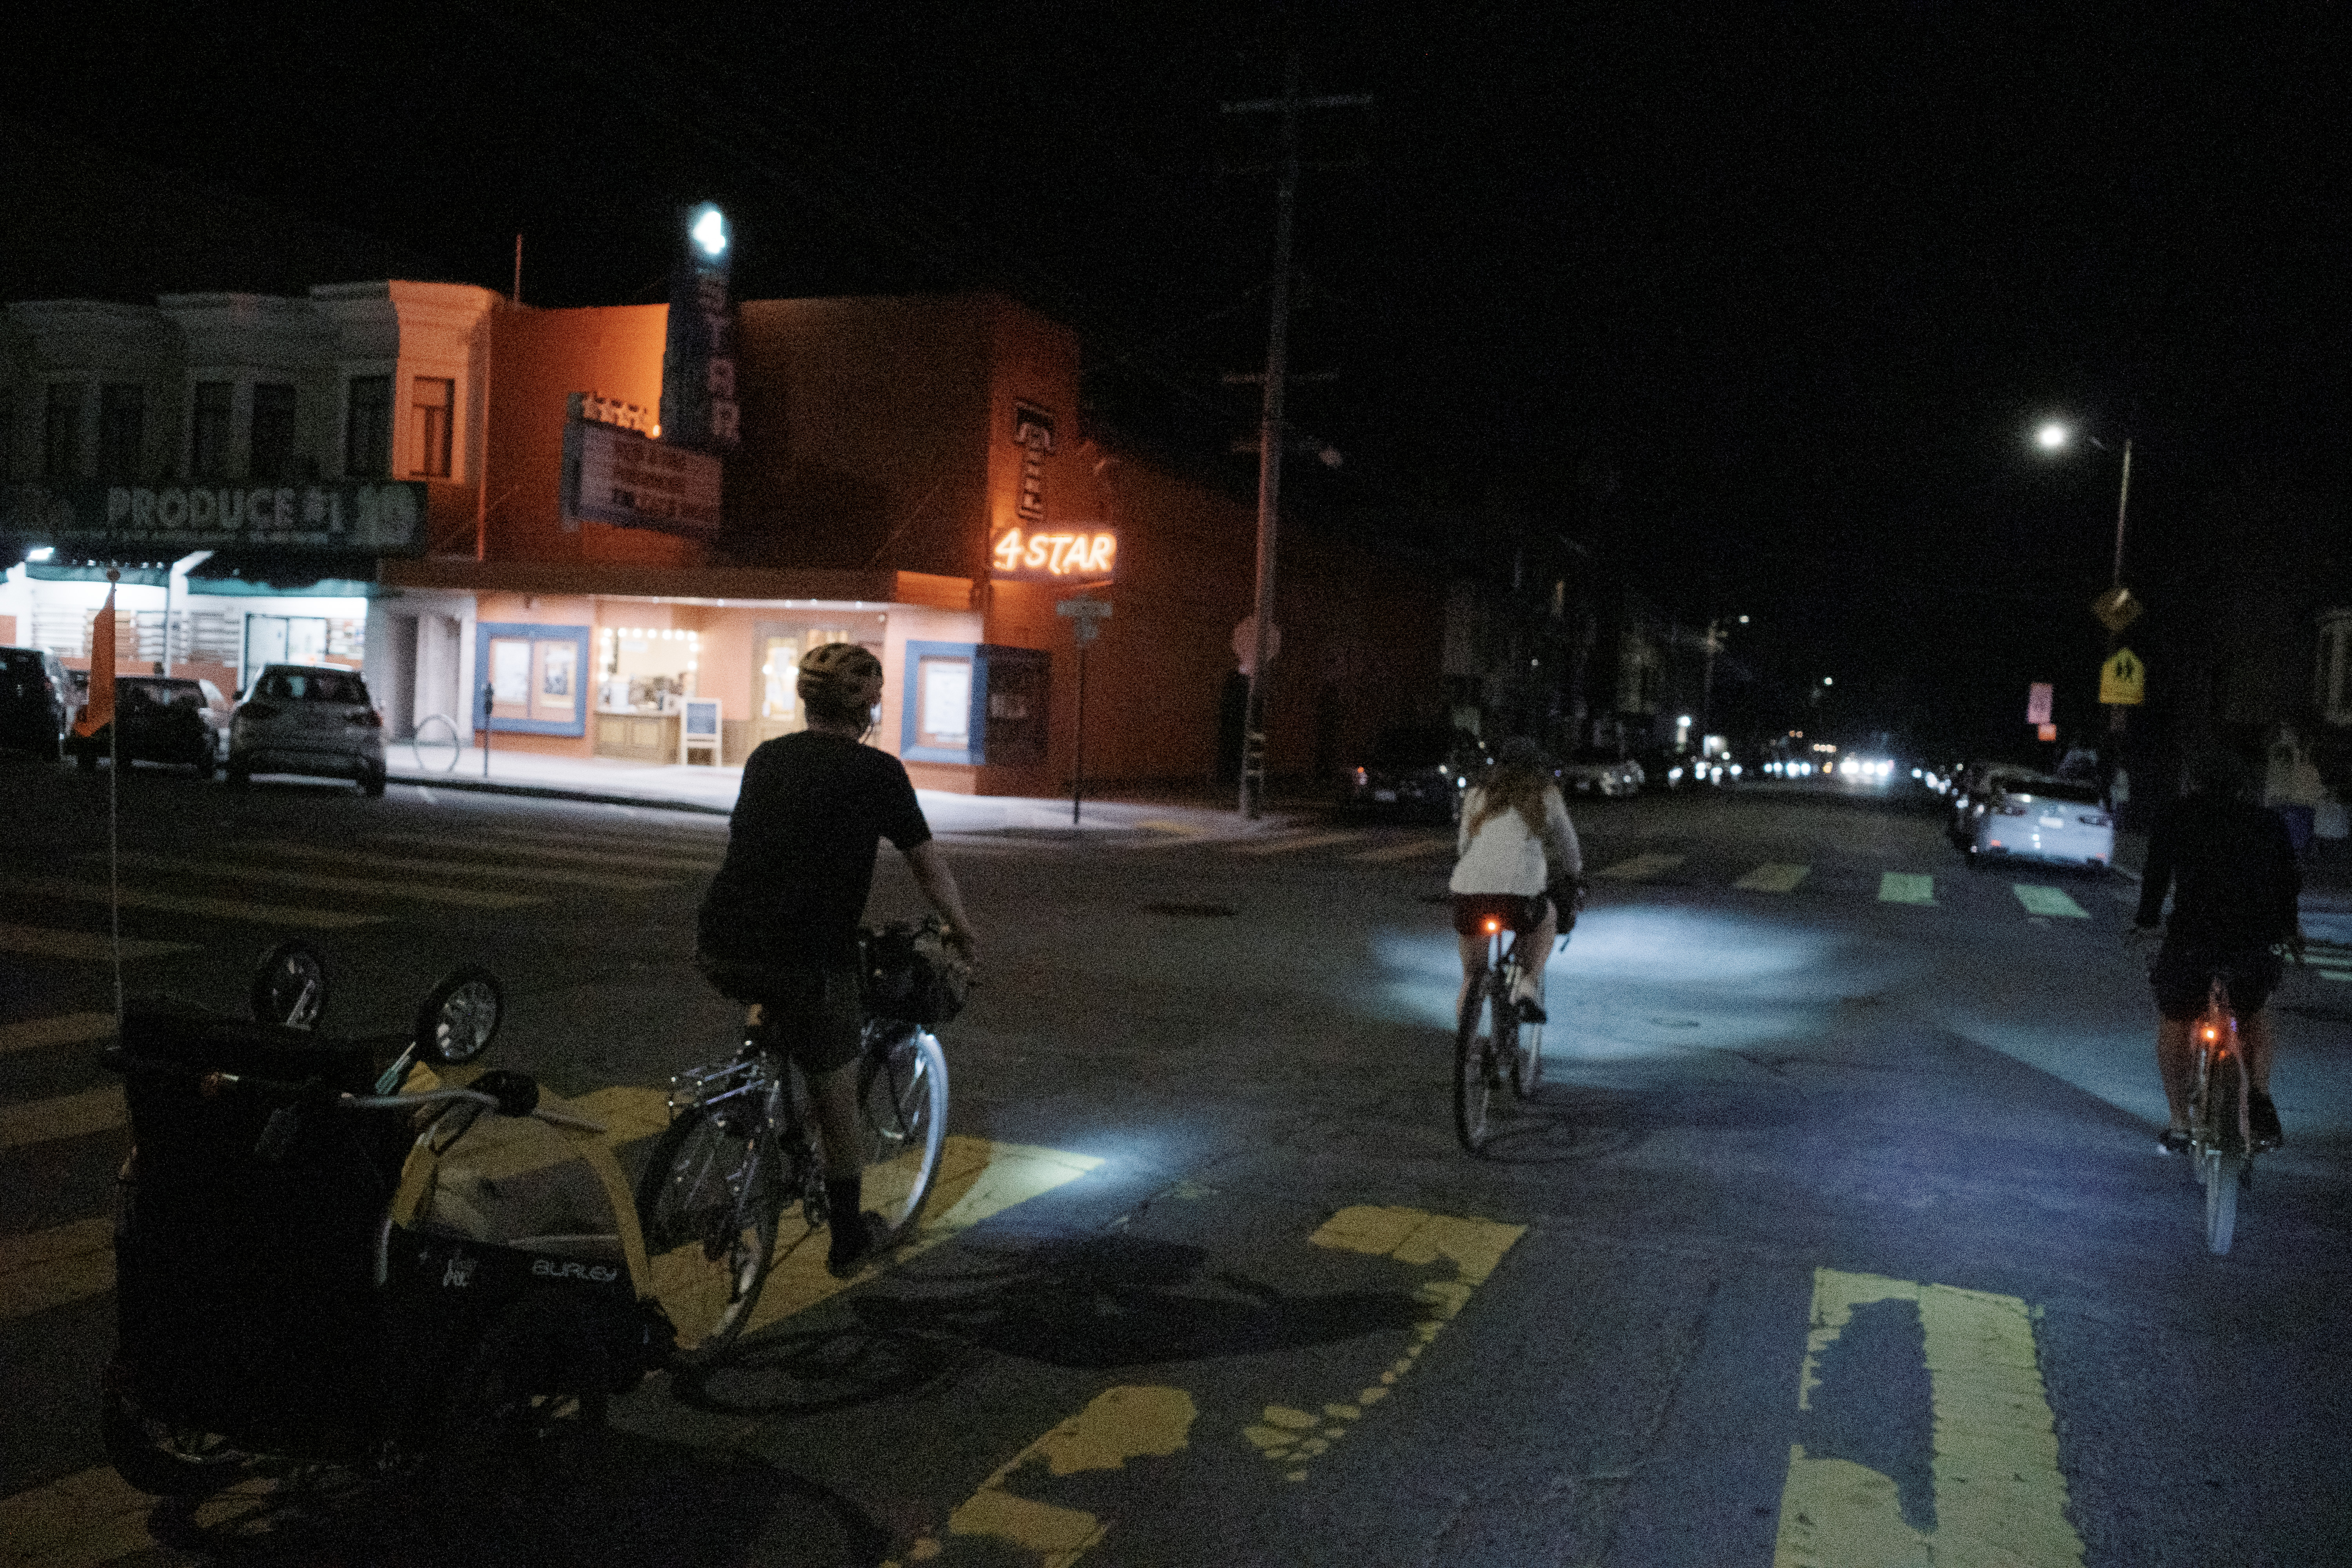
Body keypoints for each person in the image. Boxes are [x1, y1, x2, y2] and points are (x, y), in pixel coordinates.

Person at [695, 642, 978, 1277]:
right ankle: (848, 1237)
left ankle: (753, 1078)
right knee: (835, 1098)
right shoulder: (877, 774)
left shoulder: (767, 759)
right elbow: (929, 870)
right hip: (810, 957)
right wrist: (963, 931)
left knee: (770, 988)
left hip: (720, 940)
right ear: (870, 706)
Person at [2132, 749, 2301, 1153]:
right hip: (2251, 942)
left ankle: (2179, 1124)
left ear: (2194, 781)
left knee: (2176, 1019)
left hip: (2193, 939)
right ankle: (2259, 1095)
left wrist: (2146, 921)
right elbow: (2286, 882)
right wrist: (2289, 929)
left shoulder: (2177, 815)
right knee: (2255, 1011)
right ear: (2244, 786)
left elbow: (2157, 874)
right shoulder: (2268, 823)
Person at [1450, 736, 1583, 1026]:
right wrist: (1575, 873)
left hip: (1470, 893)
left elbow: (1463, 847)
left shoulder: (1475, 795)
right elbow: (1568, 845)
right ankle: (1527, 985)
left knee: (1473, 975)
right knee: (1546, 917)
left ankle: (1466, 1038)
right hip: (1519, 896)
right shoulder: (1546, 795)